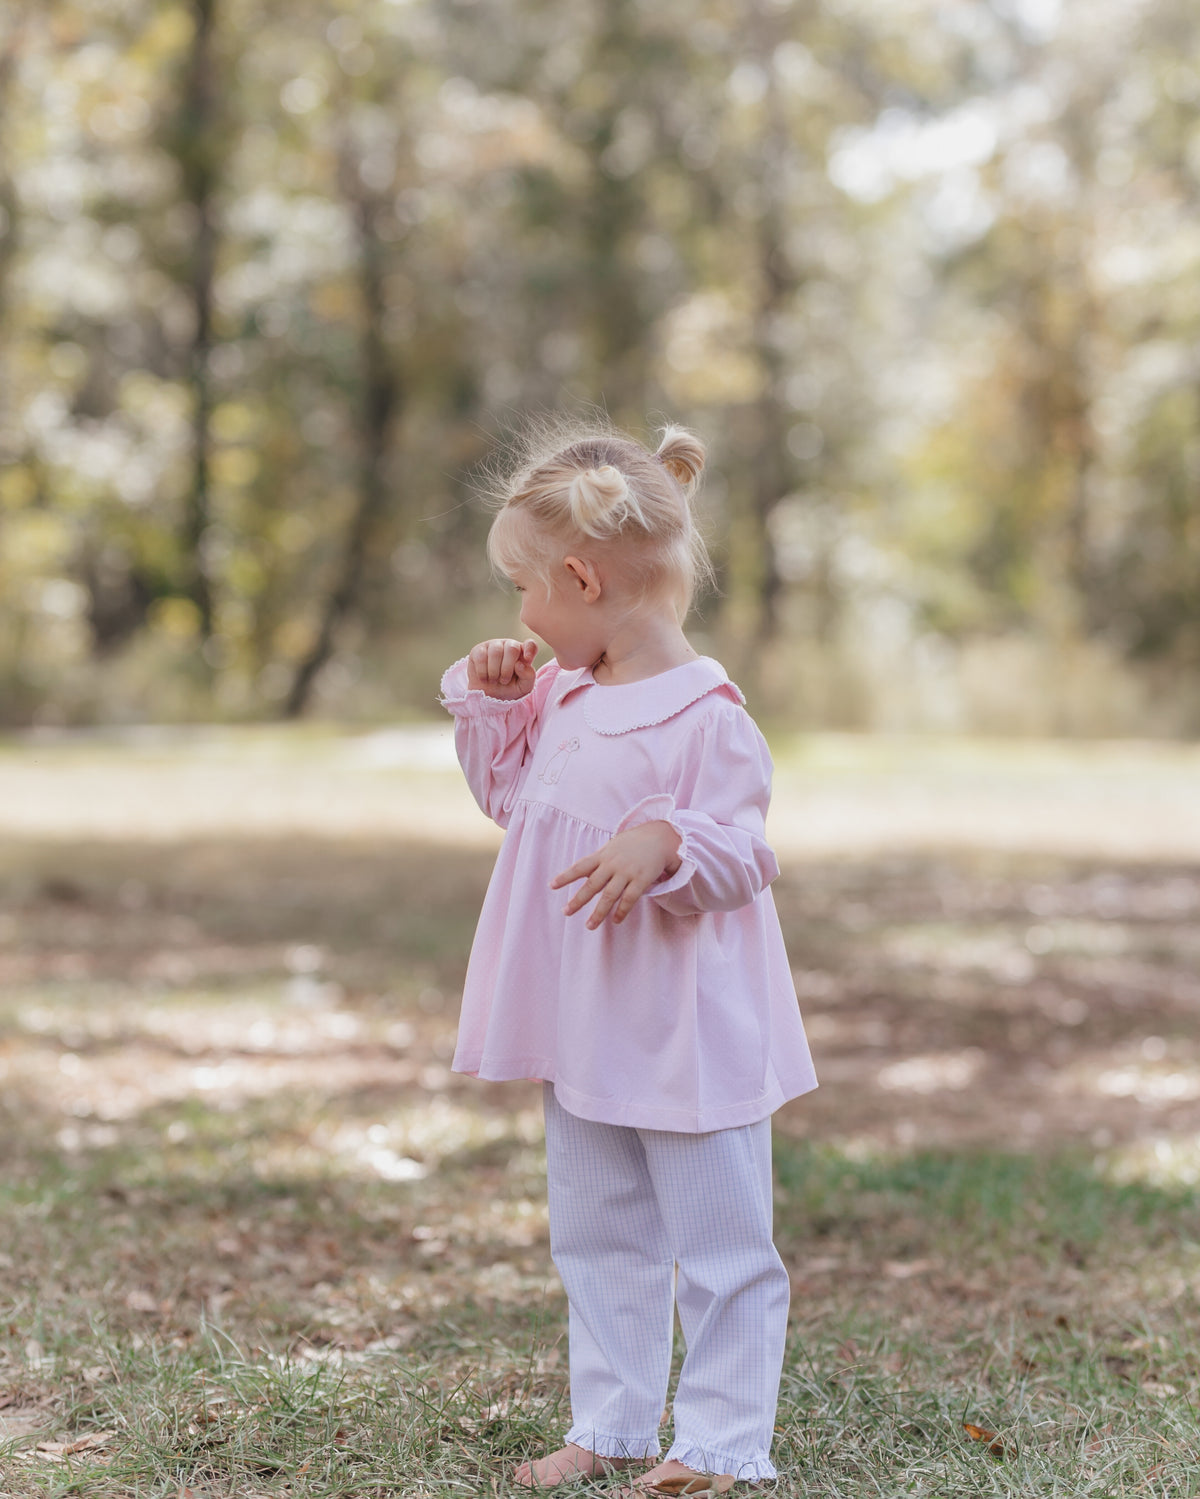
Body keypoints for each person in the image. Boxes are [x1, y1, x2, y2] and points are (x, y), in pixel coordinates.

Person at [439, 420, 817, 1496]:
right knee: (599, 1231)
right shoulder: (565, 695)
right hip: (585, 1021)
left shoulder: (710, 717)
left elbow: (743, 848)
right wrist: (497, 703)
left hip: (689, 1031)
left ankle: (720, 1439)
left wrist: (666, 841)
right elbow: (510, 798)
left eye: (523, 588)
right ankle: (610, 1419)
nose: (518, 613)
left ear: (582, 576)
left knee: (721, 1242)